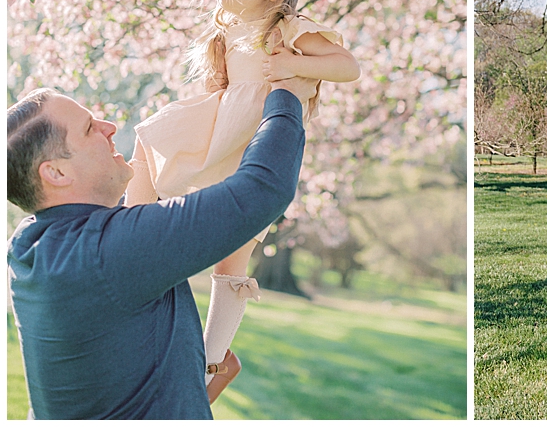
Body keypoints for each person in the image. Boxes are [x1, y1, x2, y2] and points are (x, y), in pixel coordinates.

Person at [123, 0, 361, 395]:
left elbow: (347, 66)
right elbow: (227, 81)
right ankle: (132, 237)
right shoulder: (228, 30)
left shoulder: (286, 25)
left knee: (234, 257)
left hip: (254, 133)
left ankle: (211, 363)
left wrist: (293, 62)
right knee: (150, 137)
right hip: (223, 119)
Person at [7, 75, 318, 419]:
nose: (109, 126)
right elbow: (261, 189)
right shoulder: (108, 250)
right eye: (88, 128)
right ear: (56, 173)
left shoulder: (27, 246)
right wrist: (286, 93)